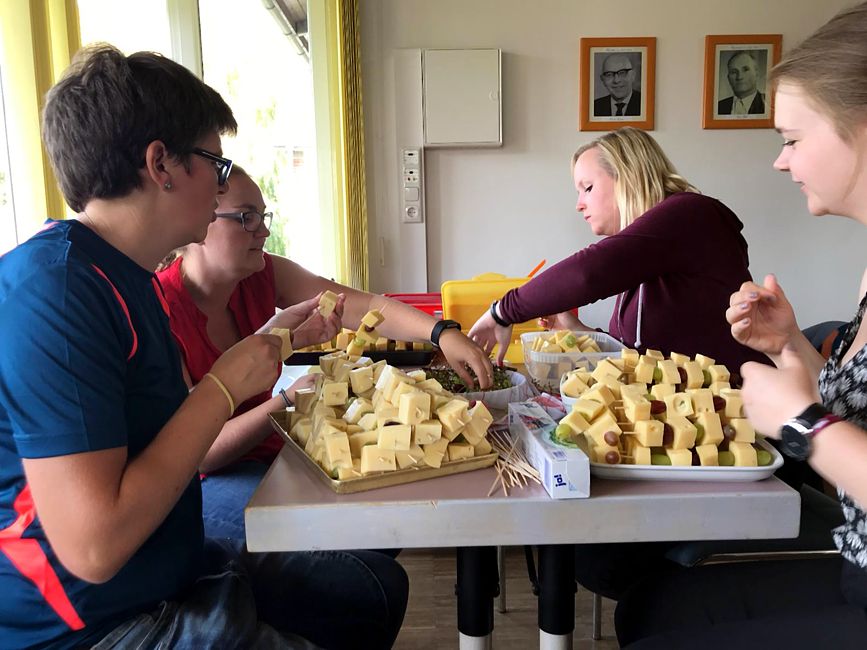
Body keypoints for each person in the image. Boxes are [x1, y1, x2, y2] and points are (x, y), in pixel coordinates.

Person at [0, 44, 407, 649]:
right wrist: (222, 386)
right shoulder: (56, 293)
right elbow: (93, 546)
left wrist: (266, 350)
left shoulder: (126, 275)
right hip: (94, 621)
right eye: (215, 166)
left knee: (372, 591)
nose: (222, 189)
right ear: (161, 165)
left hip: (170, 563)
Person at [616, 4, 867, 647]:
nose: (781, 163)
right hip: (854, 567)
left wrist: (801, 425)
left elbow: (824, 427)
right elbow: (850, 411)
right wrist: (792, 346)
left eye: (791, 139)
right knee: (646, 608)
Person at [157, 164, 493, 540]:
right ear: (201, 221)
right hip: (210, 482)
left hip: (276, 453)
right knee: (358, 559)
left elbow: (362, 306)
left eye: (263, 216)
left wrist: (441, 332)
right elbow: (203, 453)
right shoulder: (161, 308)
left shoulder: (261, 273)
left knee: (384, 528)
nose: (264, 231)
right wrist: (289, 399)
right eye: (246, 218)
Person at [468, 126, 767, 372]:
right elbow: (636, 353)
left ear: (629, 176)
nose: (579, 204)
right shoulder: (649, 249)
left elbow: (587, 273)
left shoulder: (689, 213)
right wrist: (579, 330)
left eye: (588, 188)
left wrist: (503, 311)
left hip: (730, 410)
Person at [718, 50, 767, 115]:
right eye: (734, 72)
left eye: (745, 70)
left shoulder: (768, 104)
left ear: (756, 73)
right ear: (728, 78)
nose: (739, 77)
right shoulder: (719, 107)